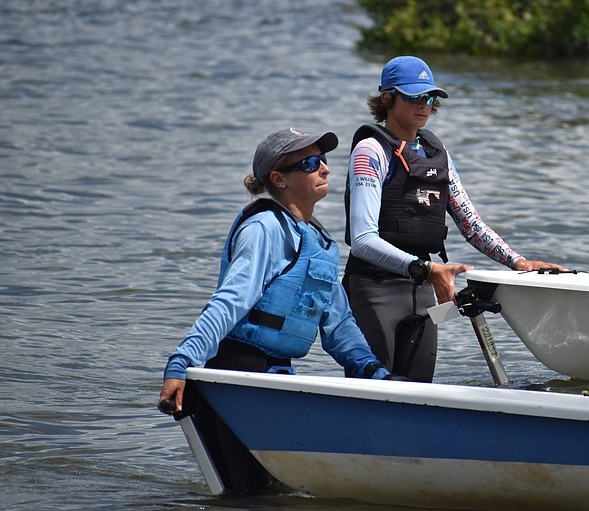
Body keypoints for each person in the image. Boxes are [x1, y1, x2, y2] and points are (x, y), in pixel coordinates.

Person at [158, 127, 398, 494]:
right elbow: (229, 302)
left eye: (324, 159)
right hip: (236, 380)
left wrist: (372, 371)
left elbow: (339, 324)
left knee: (276, 495)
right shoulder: (263, 229)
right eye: (311, 162)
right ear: (279, 179)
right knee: (249, 497)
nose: (325, 169)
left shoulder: (318, 242)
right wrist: (181, 362)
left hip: (277, 380)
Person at [343, 56, 564, 383]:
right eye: (415, 97)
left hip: (425, 288)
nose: (425, 106)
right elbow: (363, 241)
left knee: (420, 393)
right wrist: (428, 270)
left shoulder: (436, 151)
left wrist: (517, 262)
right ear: (388, 98)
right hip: (374, 288)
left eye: (430, 98)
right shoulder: (370, 151)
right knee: (373, 392)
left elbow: (471, 225)